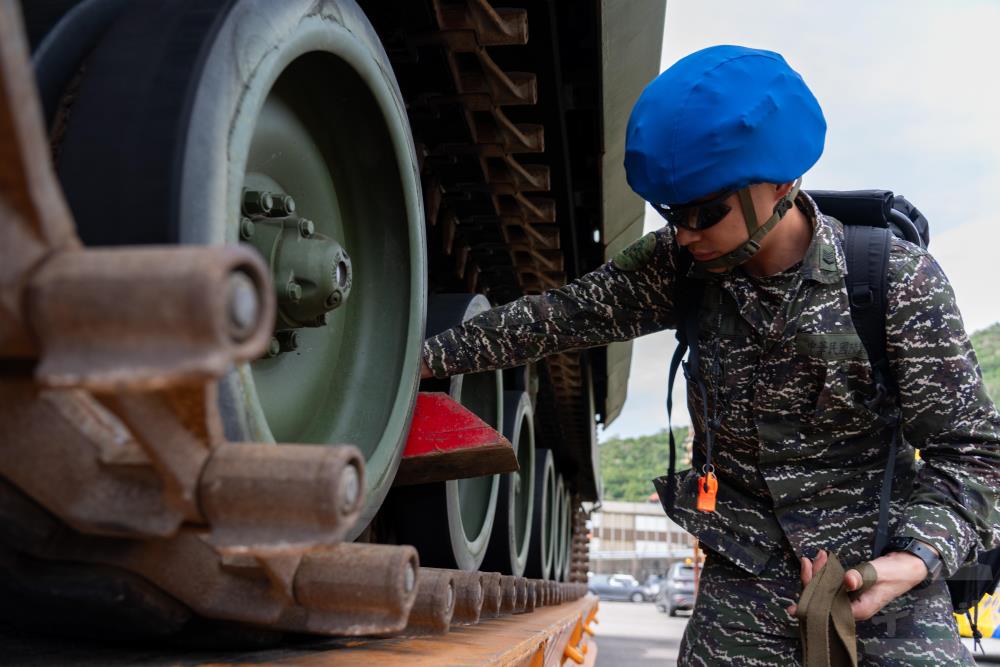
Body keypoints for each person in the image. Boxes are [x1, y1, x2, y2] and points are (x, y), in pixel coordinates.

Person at [419, 45, 1000, 665]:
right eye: (673, 214)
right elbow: (555, 319)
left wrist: (910, 562)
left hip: (886, 592)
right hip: (742, 592)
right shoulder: (681, 268)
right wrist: (416, 363)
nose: (685, 233)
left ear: (782, 184)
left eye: (705, 212)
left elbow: (973, 455)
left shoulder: (893, 283)